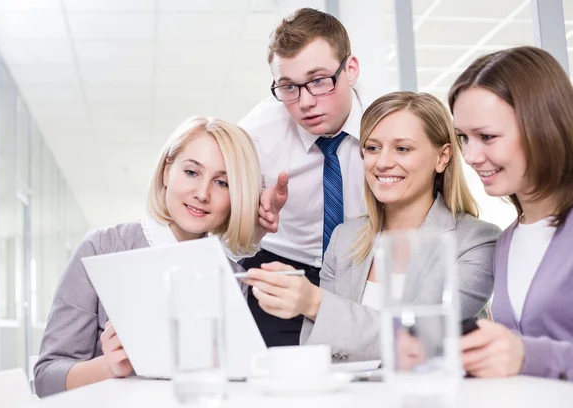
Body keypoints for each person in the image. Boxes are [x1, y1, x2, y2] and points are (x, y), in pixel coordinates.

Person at [241, 92, 501, 362]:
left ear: (442, 157)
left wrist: (315, 303)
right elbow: (317, 350)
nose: (382, 162)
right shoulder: (345, 238)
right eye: (373, 148)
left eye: (402, 149)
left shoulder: (477, 241)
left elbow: (419, 339)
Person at [34, 116, 278, 397]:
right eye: (191, 172)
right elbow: (45, 378)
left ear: (236, 195)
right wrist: (110, 366)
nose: (202, 194)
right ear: (166, 172)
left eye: (222, 183)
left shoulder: (232, 277)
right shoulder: (102, 247)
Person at [239, 7, 366, 346]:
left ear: (350, 69)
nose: (305, 102)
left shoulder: (383, 127)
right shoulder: (257, 133)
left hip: (359, 270)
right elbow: (225, 235)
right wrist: (253, 218)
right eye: (289, 87)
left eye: (319, 80)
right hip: (282, 269)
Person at [450, 46, 573, 381]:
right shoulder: (506, 241)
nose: (471, 156)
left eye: (486, 136)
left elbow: (528, 355)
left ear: (542, 127)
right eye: (463, 138)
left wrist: (526, 355)